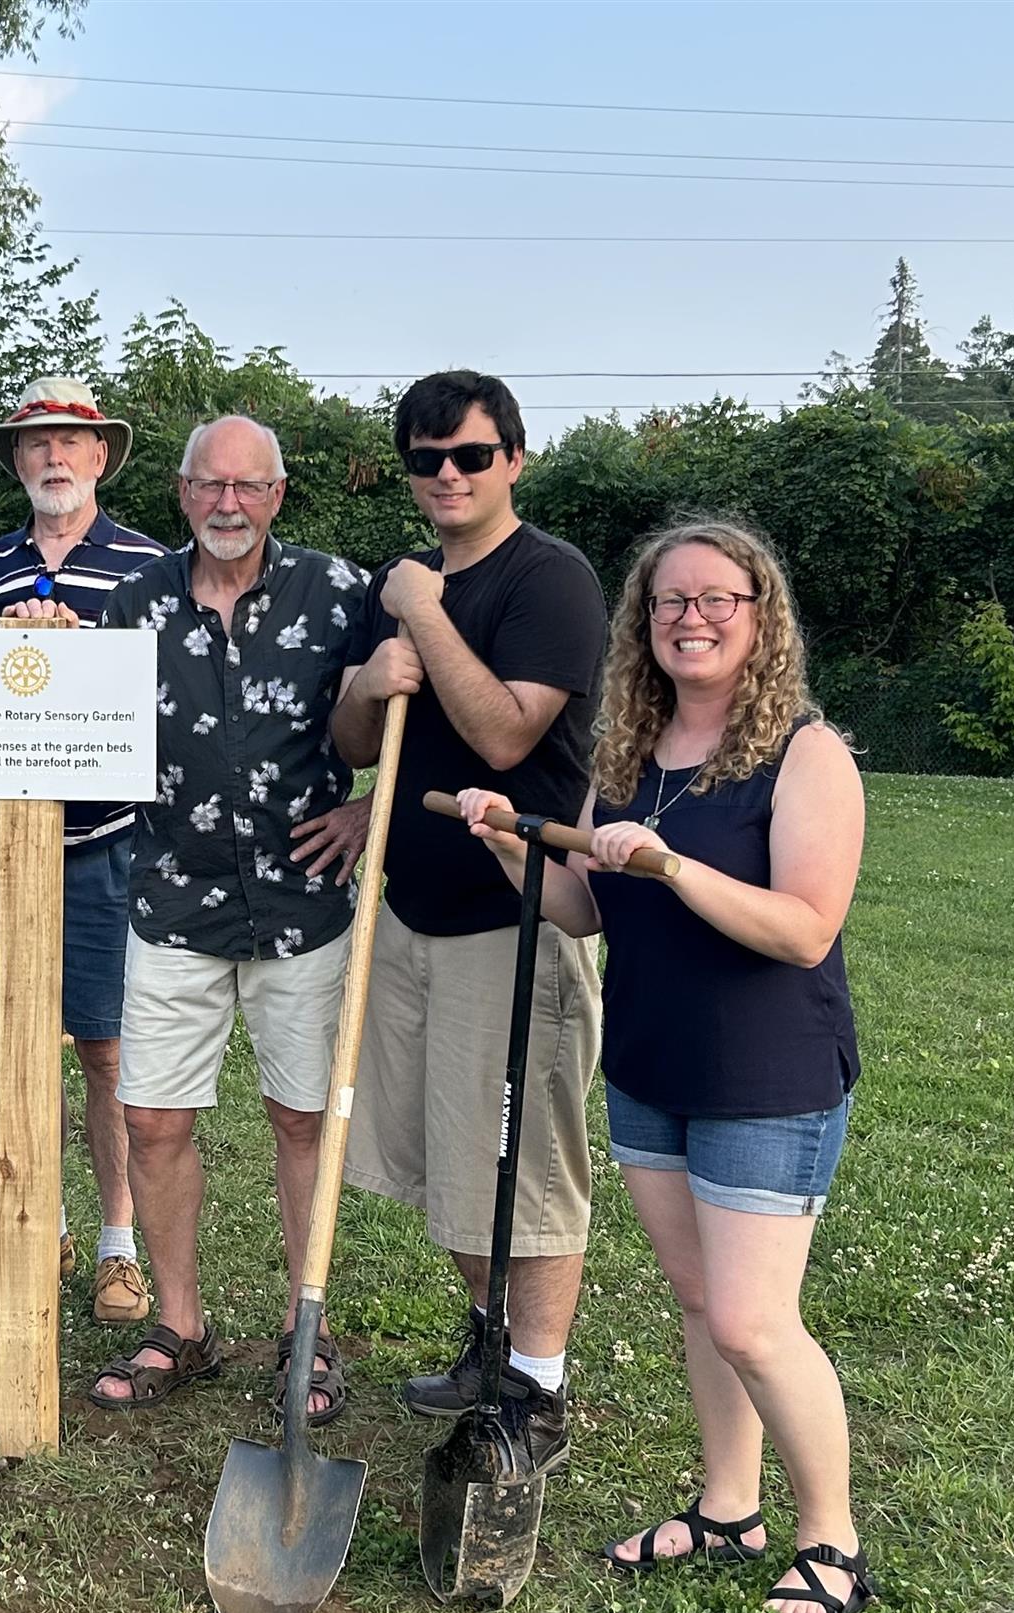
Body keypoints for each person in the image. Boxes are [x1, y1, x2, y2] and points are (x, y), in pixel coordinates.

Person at [458, 518, 874, 1613]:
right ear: (645, 626)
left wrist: (674, 864)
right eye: (669, 602)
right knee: (697, 1303)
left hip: (767, 1077)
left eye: (716, 598)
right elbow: (586, 907)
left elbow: (803, 929)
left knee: (751, 1321)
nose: (691, 618)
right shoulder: (630, 759)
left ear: (759, 615)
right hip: (649, 1068)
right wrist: (513, 845)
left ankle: (830, 1535)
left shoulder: (805, 753)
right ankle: (730, 1506)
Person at [331, 369, 606, 1476]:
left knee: (520, 1162)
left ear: (514, 462)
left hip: (516, 915)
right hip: (411, 916)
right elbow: (355, 738)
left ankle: (538, 1390)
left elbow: (502, 736)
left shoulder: (552, 581)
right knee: (449, 1160)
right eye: (426, 459)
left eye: (471, 456)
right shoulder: (396, 589)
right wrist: (374, 673)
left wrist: (426, 618)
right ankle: (494, 1346)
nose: (447, 475)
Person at [80, 414, 375, 1421]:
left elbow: (424, 711)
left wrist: (372, 807)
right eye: (211, 486)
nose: (229, 505)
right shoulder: (131, 603)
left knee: (302, 1118)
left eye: (249, 487)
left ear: (279, 495)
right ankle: (182, 1326)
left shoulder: (340, 593)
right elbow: (72, 724)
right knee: (153, 1121)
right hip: (172, 896)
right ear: (182, 491)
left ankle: (309, 1328)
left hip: (306, 906)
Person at [0, 376, 167, 1324]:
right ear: (19, 461)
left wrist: (89, 652)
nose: (54, 459)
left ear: (102, 457)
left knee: (107, 1049)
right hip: (5, 838)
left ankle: (120, 1248)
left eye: (71, 444)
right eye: (36, 445)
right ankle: (32, 1225)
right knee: (16, 1038)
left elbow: (166, 702)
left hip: (106, 842)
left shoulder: (151, 565)